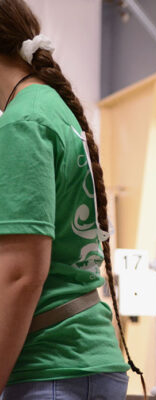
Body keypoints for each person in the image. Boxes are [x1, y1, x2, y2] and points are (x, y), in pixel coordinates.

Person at [0, 0, 143, 398]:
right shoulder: (51, 109)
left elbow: (21, 275)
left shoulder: (22, 123)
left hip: (50, 368)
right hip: (85, 360)